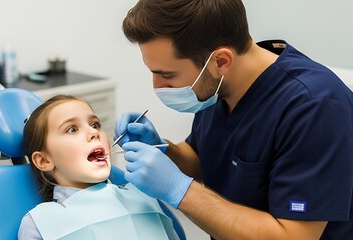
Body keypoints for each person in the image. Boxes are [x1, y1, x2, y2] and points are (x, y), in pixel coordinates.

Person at [115, 0, 353, 239]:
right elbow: (202, 157)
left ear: (220, 61)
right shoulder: (217, 87)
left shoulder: (313, 107)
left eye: (167, 74)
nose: (157, 87)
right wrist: (164, 151)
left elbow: (293, 236)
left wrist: (181, 191)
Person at [17, 94, 179, 240]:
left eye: (94, 125)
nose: (94, 133)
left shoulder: (144, 196)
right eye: (72, 129)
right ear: (44, 161)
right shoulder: (40, 223)